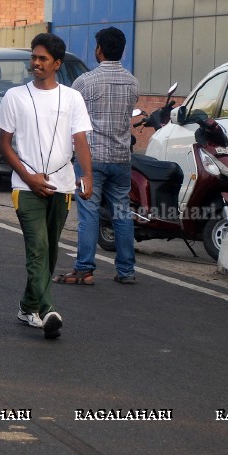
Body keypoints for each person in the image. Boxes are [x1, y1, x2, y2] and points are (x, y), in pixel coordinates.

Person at [0, 32, 93, 340]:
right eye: (33, 57)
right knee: (37, 249)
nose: (35, 63)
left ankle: (28, 305)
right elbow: (5, 145)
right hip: (25, 187)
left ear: (57, 64)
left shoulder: (72, 97)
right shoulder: (15, 96)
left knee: (50, 252)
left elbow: (80, 140)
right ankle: (47, 310)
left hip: (61, 185)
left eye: (43, 59)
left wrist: (86, 175)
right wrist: (27, 176)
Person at [57, 26, 140, 286]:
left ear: (99, 49)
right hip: (121, 158)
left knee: (89, 213)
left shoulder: (84, 82)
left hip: (90, 159)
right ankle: (126, 270)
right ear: (122, 50)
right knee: (122, 213)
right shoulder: (132, 82)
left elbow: (71, 119)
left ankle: (84, 268)